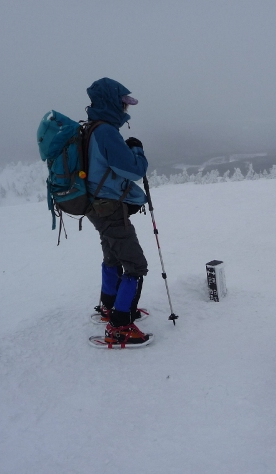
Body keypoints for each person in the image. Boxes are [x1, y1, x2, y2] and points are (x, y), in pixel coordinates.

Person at [85, 77, 152, 347]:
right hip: (110, 207)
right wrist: (137, 149)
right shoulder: (106, 132)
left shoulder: (91, 128)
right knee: (135, 264)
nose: (126, 109)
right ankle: (120, 325)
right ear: (113, 103)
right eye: (123, 103)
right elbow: (134, 170)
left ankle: (108, 307)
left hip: (95, 206)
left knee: (113, 255)